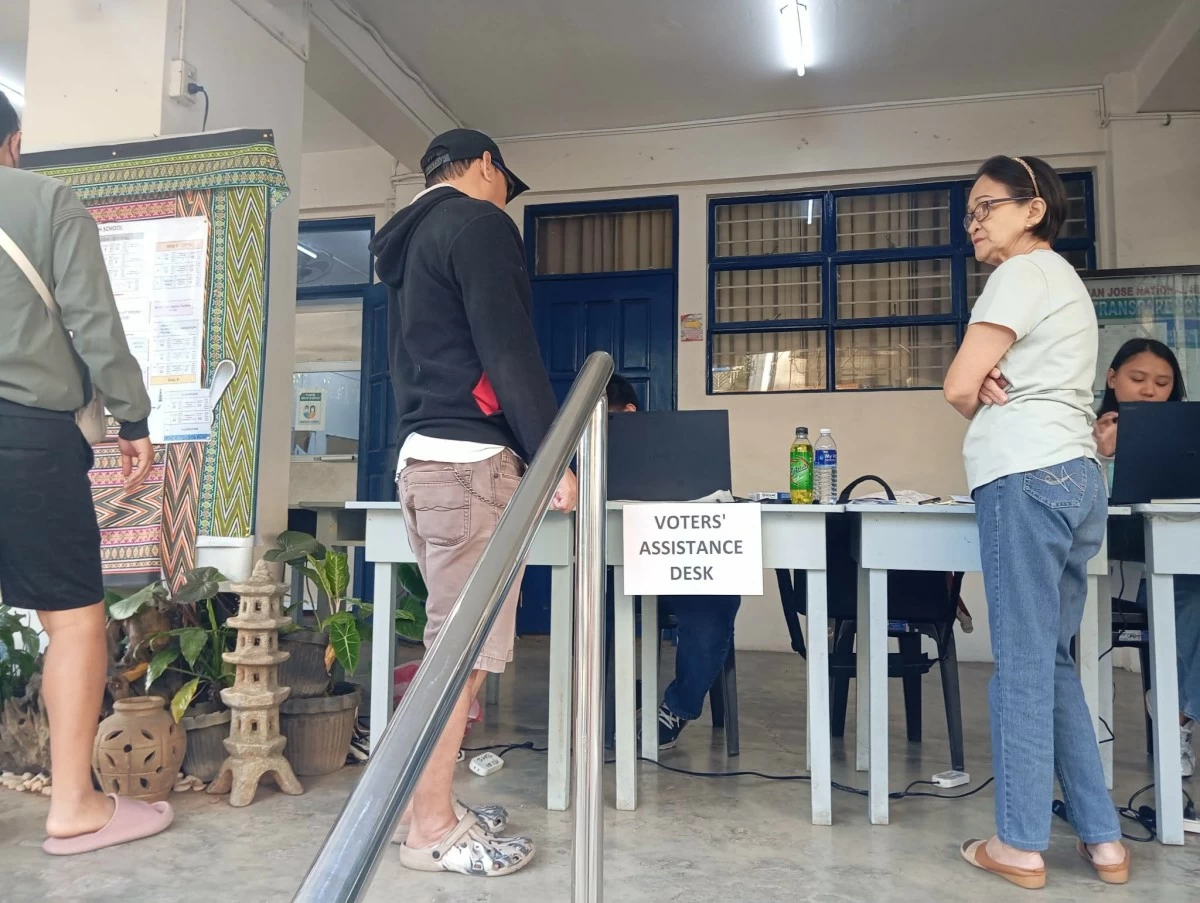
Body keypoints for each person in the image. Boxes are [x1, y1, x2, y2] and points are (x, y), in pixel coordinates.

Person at [371, 128, 577, 878]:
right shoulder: (478, 222)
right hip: (469, 464)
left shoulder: (409, 241)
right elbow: (507, 343)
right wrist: (554, 453)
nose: (505, 198)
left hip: (423, 459)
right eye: (504, 181)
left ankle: (423, 801)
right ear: (486, 166)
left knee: (452, 649)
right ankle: (430, 824)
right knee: (460, 657)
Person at [944, 155, 1128, 888]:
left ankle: (1019, 842)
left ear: (1034, 209)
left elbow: (959, 383)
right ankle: (1103, 837)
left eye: (986, 206)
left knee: (1020, 663)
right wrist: (989, 375)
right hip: (1078, 475)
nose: (975, 225)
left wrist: (971, 388)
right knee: (1051, 660)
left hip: (1022, 476)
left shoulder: (1019, 274)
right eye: (969, 214)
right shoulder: (1067, 284)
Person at [0, 90, 166, 855]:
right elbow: (92, 318)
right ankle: (73, 804)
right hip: (24, 438)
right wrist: (132, 416)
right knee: (72, 620)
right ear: (14, 141)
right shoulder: (43, 199)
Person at [605, 373, 740, 748]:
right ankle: (599, 701)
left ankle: (676, 709)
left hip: (677, 568)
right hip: (612, 573)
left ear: (628, 412)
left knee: (714, 606)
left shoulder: (681, 450)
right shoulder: (588, 451)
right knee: (591, 602)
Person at [1095, 338, 1196, 777]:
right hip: (1113, 561)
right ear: (1112, 379)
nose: (1150, 390)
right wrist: (1103, 456)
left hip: (1176, 552)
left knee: (1191, 595)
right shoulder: (1078, 428)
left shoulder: (1188, 434)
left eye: (1162, 382)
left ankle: (1178, 712)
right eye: (1138, 379)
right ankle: (1180, 713)